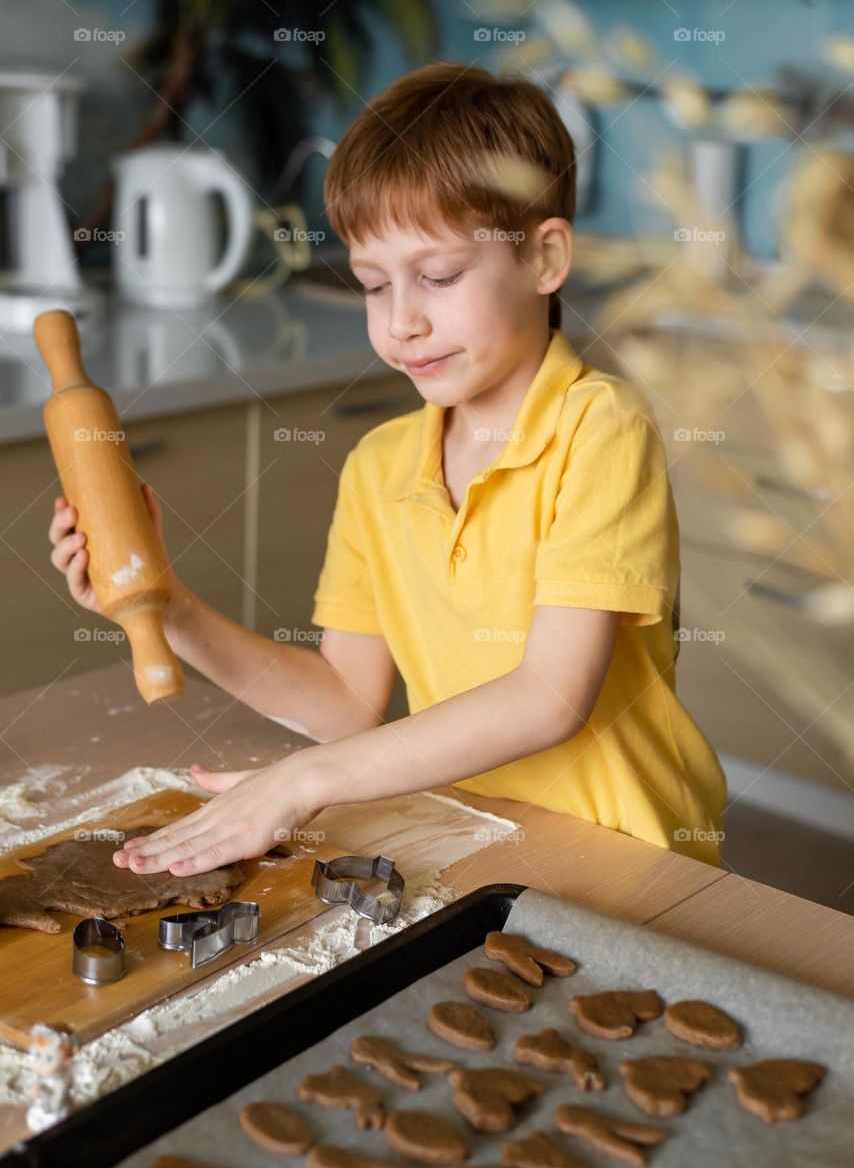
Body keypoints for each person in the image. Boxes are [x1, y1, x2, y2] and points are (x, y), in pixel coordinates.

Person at [48, 62, 726, 877]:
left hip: (628, 857)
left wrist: (301, 784)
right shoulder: (381, 465)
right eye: (372, 285)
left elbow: (549, 696)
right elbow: (344, 702)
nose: (403, 321)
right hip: (480, 844)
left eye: (438, 277)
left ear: (545, 258)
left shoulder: (601, 430)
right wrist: (169, 601)